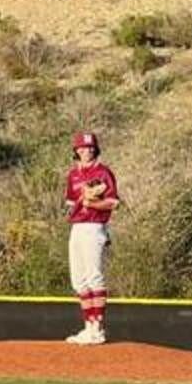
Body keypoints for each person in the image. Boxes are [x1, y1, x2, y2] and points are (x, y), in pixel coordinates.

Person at [63, 131, 119, 345]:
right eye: (82, 148)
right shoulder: (73, 175)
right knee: (79, 280)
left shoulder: (104, 172)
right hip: (76, 227)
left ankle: (98, 328)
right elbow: (70, 204)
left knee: (94, 276)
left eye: (90, 148)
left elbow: (113, 202)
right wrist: (82, 200)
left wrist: (92, 203)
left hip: (94, 226)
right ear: (76, 151)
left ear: (95, 149)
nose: (86, 151)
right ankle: (88, 326)